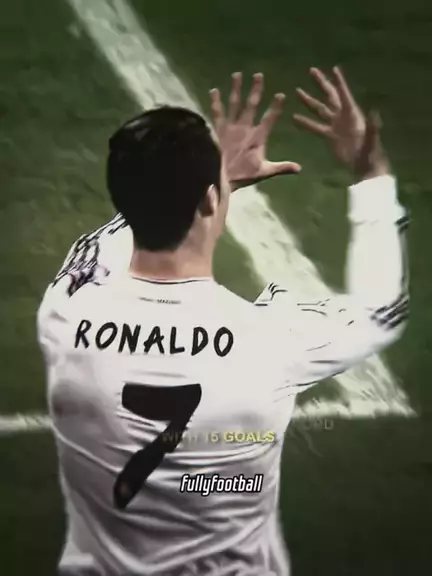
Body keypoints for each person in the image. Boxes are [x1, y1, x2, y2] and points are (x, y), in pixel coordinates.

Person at [37, 67, 409, 576]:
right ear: (212, 199)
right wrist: (373, 174)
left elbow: (99, 246)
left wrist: (208, 179)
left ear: (122, 197)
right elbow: (381, 309)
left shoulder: (66, 311)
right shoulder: (269, 340)